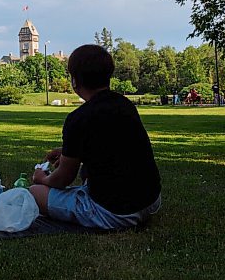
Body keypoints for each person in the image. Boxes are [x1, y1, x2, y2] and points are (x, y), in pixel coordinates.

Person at [30, 45, 161, 230]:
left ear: (75, 80)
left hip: (115, 213)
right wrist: (69, 153)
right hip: (150, 201)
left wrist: (41, 178)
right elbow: (114, 146)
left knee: (35, 193)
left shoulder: (79, 118)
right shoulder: (125, 105)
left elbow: (62, 179)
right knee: (87, 175)